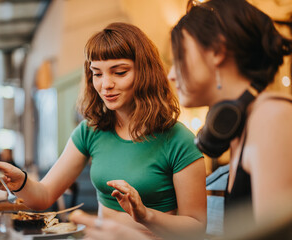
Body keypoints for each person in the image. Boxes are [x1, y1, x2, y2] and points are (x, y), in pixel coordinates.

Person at [72, 0, 292, 239]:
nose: (172, 74)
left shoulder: (272, 117)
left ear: (217, 51)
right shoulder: (247, 126)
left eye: (180, 57)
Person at [0, 22, 207, 238]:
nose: (105, 84)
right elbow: (43, 196)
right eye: (97, 73)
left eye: (119, 72)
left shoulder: (178, 139)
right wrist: (20, 182)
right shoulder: (90, 131)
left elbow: (196, 228)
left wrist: (145, 215)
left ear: (146, 73)